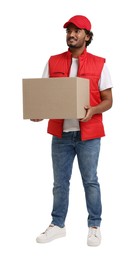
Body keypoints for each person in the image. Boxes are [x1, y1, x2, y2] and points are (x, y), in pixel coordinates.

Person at [32, 15, 113, 246]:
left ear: (87, 36)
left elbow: (108, 100)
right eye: (69, 30)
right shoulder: (53, 61)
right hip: (61, 134)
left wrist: (94, 109)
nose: (72, 34)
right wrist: (39, 112)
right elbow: (45, 97)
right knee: (60, 182)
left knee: (90, 181)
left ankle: (94, 226)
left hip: (89, 134)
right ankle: (58, 224)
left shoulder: (100, 64)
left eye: (77, 31)